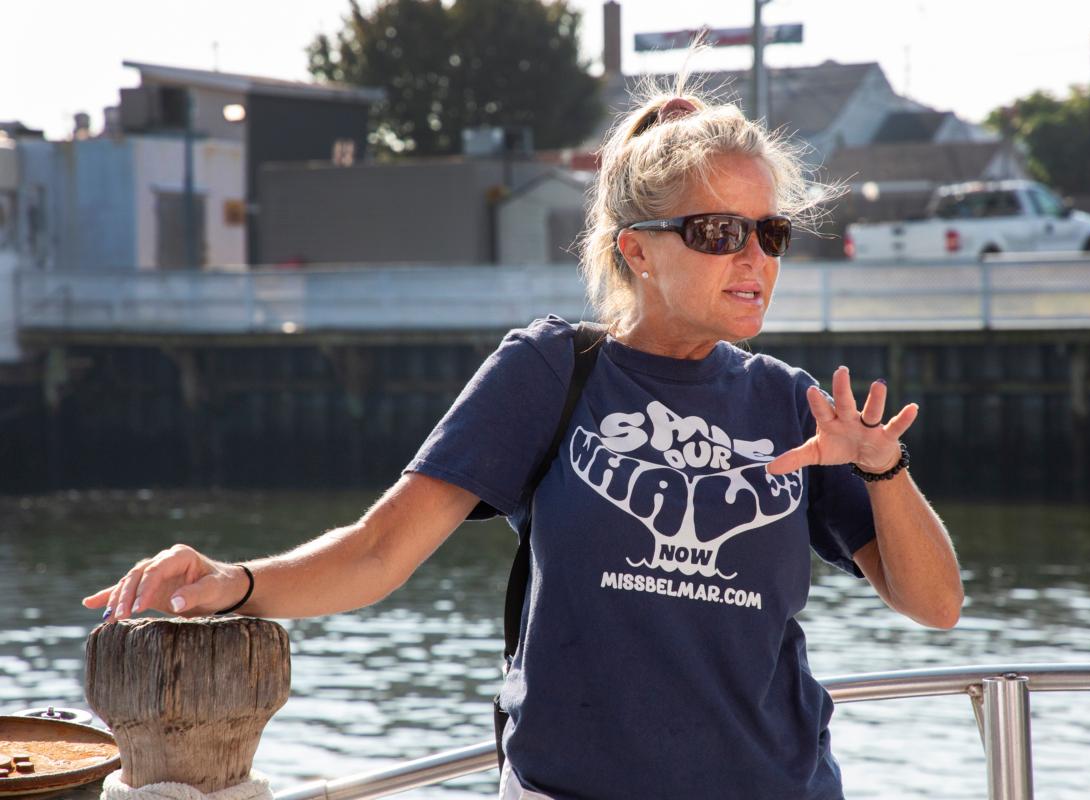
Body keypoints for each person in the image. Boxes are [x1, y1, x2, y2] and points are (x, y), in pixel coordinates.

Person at [84, 82, 963, 800]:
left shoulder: (795, 404)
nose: (755, 260)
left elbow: (936, 605)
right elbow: (378, 552)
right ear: (638, 252)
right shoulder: (552, 371)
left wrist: (884, 468)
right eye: (717, 232)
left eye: (769, 233)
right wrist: (234, 584)